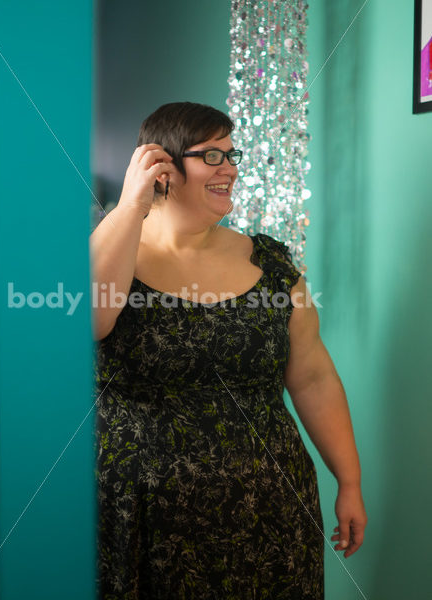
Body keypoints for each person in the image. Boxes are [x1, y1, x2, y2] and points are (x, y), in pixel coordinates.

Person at [90, 101, 367, 599]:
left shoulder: (271, 264)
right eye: (212, 156)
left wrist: (349, 481)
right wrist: (132, 205)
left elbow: (312, 378)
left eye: (231, 153)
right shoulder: (112, 250)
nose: (231, 169)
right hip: (148, 520)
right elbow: (90, 319)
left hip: (272, 518)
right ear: (162, 168)